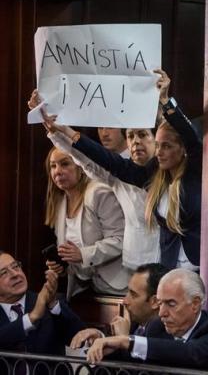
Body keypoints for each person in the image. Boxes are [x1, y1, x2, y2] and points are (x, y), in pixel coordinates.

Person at [51, 70, 202, 271]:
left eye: (166, 146)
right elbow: (113, 163)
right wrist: (67, 132)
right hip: (168, 268)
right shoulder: (152, 175)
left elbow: (190, 137)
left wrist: (165, 101)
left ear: (182, 149)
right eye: (157, 146)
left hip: (198, 266)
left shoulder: (195, 171)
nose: (159, 152)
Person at [30, 81, 162, 271]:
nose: (136, 142)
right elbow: (85, 159)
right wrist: (53, 129)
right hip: (137, 263)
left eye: (143, 135)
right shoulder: (119, 175)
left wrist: (163, 100)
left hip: (169, 260)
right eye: (131, 136)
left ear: (156, 140)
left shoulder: (170, 171)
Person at [86, 268, 208, 372]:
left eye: (171, 304)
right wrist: (105, 346)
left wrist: (128, 341)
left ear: (195, 304)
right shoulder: (156, 327)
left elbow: (189, 353)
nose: (162, 313)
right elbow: (134, 365)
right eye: (160, 303)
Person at [44, 146, 129, 298]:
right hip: (85, 289)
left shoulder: (98, 192)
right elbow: (71, 254)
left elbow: (120, 239)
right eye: (53, 166)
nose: (57, 171)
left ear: (80, 166)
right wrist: (62, 267)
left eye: (65, 164)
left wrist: (83, 255)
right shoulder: (59, 202)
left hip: (118, 288)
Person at [0, 251, 85, 354]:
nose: (15, 274)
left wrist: (53, 305)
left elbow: (81, 338)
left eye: (15, 266)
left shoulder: (47, 301)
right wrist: (31, 318)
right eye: (4, 273)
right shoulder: (38, 307)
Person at [70, 263, 169, 348]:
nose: (125, 301)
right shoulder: (132, 324)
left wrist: (124, 340)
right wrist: (99, 337)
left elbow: (143, 368)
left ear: (155, 302)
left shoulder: (165, 333)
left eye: (133, 295)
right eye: (127, 293)